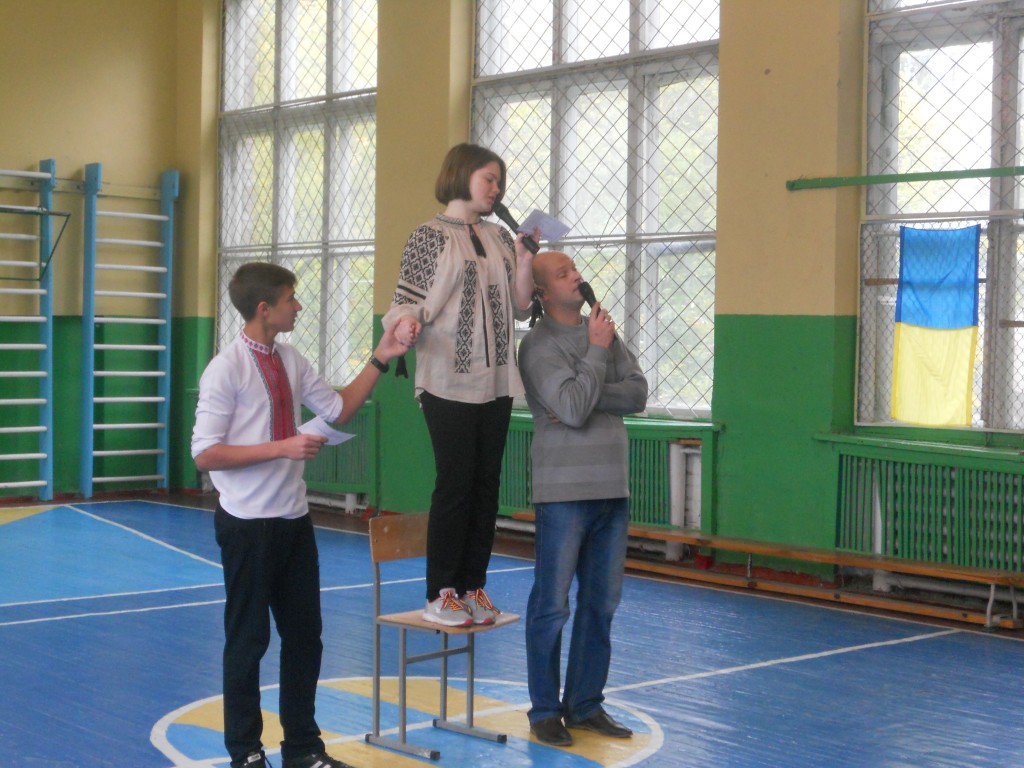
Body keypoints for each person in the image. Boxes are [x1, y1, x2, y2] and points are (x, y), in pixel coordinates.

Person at [192, 262, 408, 768]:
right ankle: (245, 752)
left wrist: (381, 357)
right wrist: (281, 447)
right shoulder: (225, 369)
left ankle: (303, 749)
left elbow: (338, 408)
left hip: (293, 521)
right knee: (248, 641)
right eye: (291, 298)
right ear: (264, 309)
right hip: (246, 525)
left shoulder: (290, 358)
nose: (299, 306)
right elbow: (204, 453)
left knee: (306, 638)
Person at [382, 143, 537, 627]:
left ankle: (473, 587)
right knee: (455, 484)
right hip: (446, 380)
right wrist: (406, 324)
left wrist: (524, 259)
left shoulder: (498, 236)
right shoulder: (428, 237)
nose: (496, 188)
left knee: (486, 486)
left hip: (497, 381)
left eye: (499, 181)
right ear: (462, 175)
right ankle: (441, 592)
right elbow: (405, 300)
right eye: (488, 178)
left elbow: (520, 306)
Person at [518, 251, 649, 747]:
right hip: (565, 494)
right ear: (542, 292)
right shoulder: (537, 346)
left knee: (601, 604)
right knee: (552, 605)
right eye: (563, 273)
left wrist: (587, 387)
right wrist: (594, 357)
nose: (576, 277)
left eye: (574, 269)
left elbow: (637, 394)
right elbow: (571, 409)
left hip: (612, 489)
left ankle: (585, 704)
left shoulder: (604, 333)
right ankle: (545, 711)